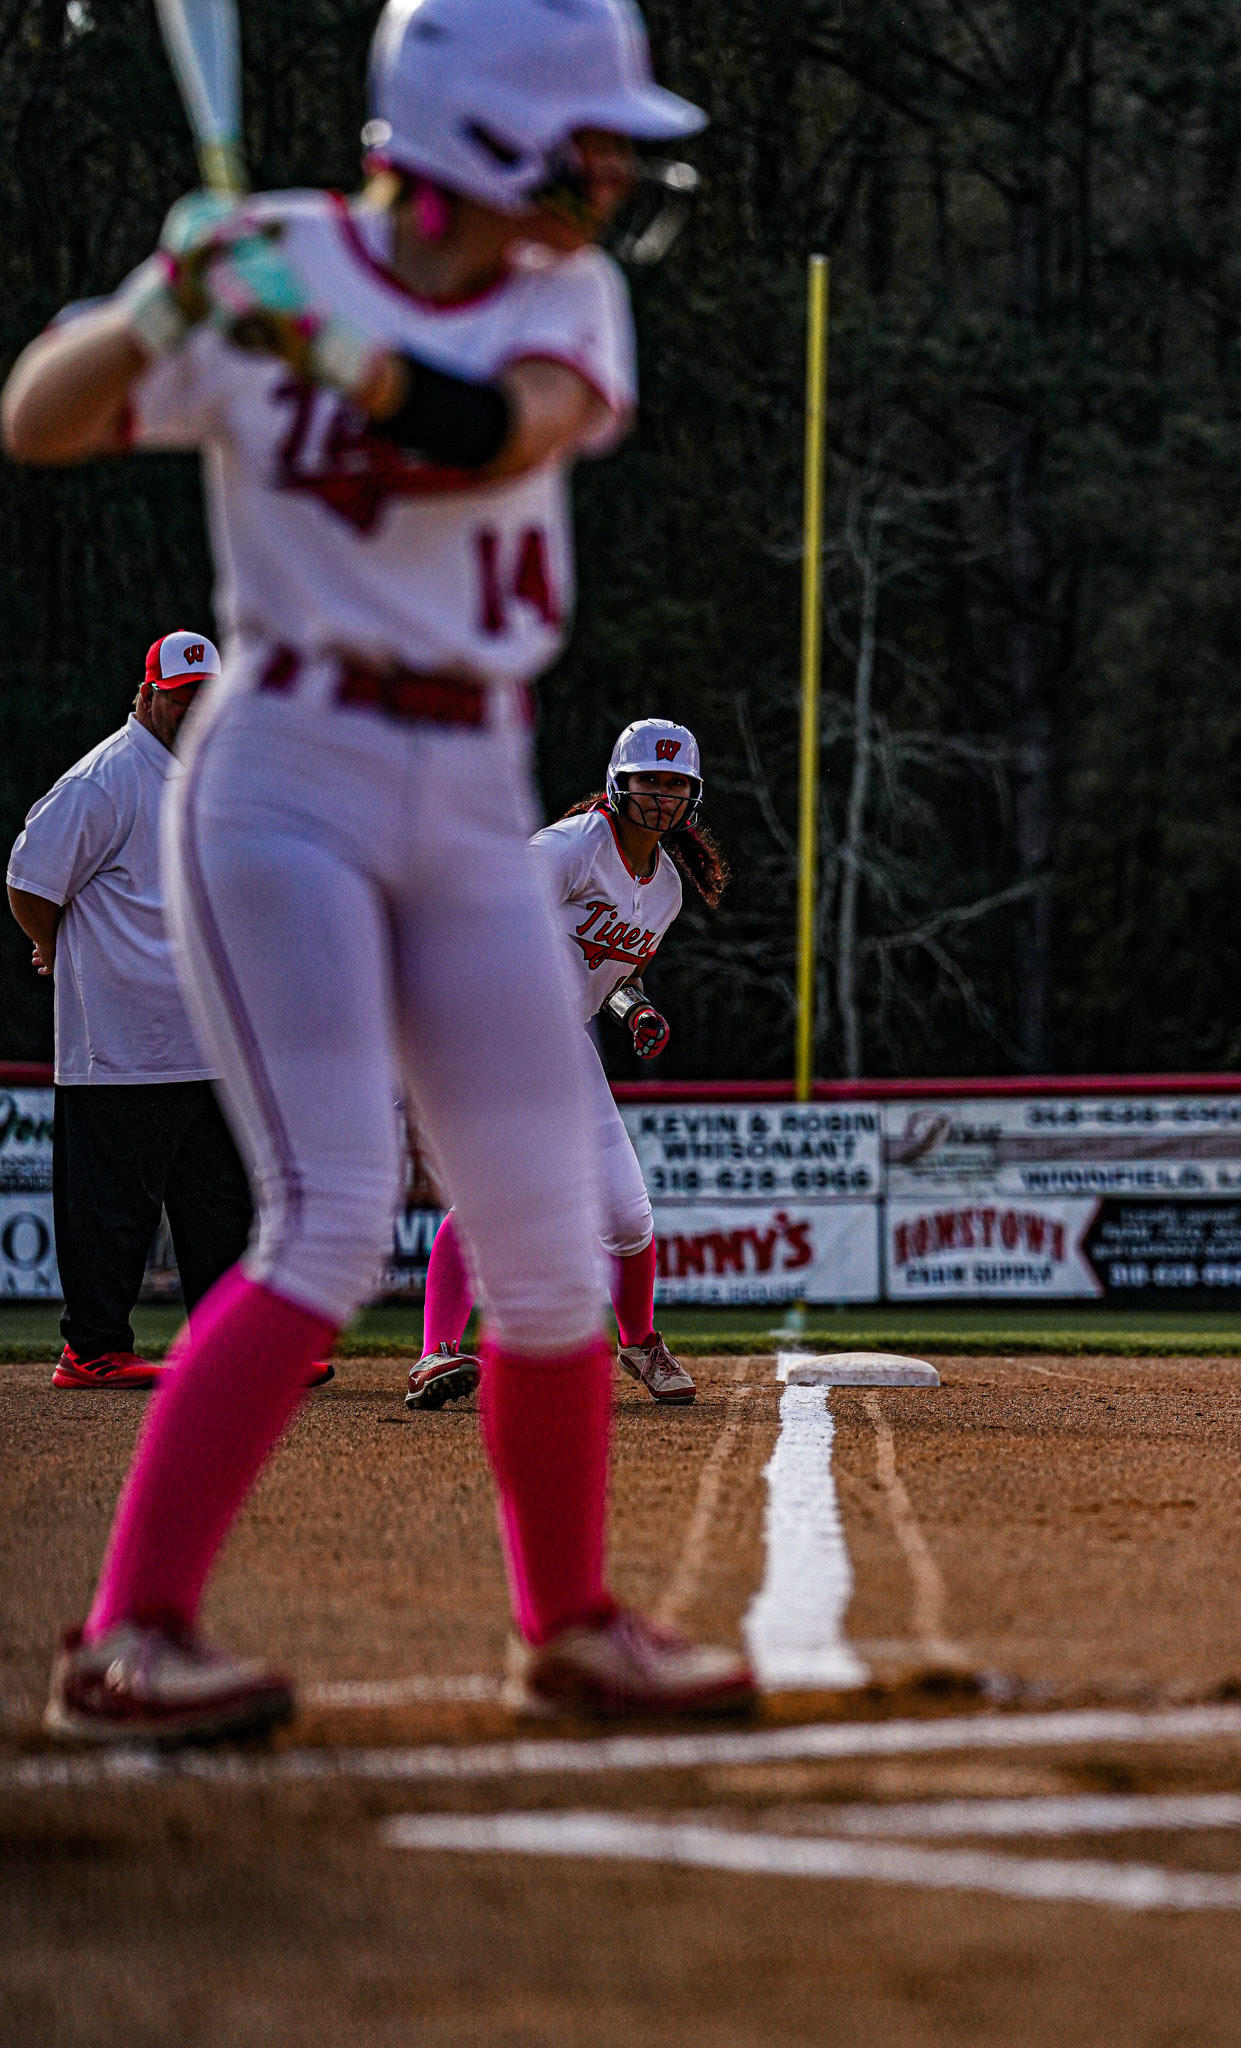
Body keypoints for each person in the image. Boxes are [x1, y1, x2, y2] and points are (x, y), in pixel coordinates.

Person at [3, 0, 754, 1741]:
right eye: (586, 141)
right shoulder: (270, 265)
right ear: (481, 135)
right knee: (334, 1213)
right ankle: (131, 1634)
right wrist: (162, 306)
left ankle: (568, 1624)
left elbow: (494, 431)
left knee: (547, 1236)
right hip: (285, 776)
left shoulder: (560, 294)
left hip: (469, 777)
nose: (611, 174)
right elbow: (38, 418)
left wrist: (318, 344)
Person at [408, 718, 727, 1411]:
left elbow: (613, 975)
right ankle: (436, 1351)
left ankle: (639, 1343)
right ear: (617, 783)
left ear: (693, 796)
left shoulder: (667, 889)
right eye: (649, 781)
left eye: (675, 784)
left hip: (562, 1043)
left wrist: (634, 1010)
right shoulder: (570, 848)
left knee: (628, 1216)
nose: (661, 796)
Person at [6, 633, 255, 1390]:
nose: (193, 709)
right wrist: (56, 949)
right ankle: (92, 1348)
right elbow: (29, 881)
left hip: (206, 1038)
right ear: (146, 695)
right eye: (180, 696)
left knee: (220, 1207)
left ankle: (228, 1348)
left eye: (205, 697)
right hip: (120, 1042)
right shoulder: (104, 778)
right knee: (112, 1211)